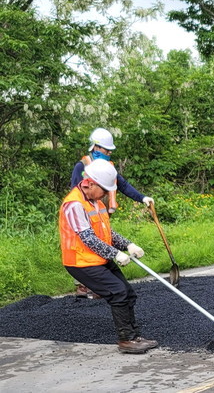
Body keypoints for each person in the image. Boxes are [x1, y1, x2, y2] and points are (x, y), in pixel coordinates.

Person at [59, 159, 158, 354]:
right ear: (91, 183)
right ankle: (126, 341)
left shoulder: (95, 201)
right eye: (104, 190)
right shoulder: (74, 204)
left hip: (98, 258)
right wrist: (115, 254)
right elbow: (87, 237)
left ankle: (135, 336)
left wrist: (127, 244)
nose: (106, 194)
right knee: (117, 292)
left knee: (128, 293)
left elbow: (106, 232)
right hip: (80, 261)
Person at [71, 128, 154, 298]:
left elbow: (122, 185)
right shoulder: (82, 166)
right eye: (106, 149)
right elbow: (75, 191)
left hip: (100, 213)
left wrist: (142, 197)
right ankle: (82, 286)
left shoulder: (109, 167)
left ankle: (99, 285)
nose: (109, 153)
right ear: (95, 147)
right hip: (83, 214)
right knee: (85, 243)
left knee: (102, 240)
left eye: (110, 150)